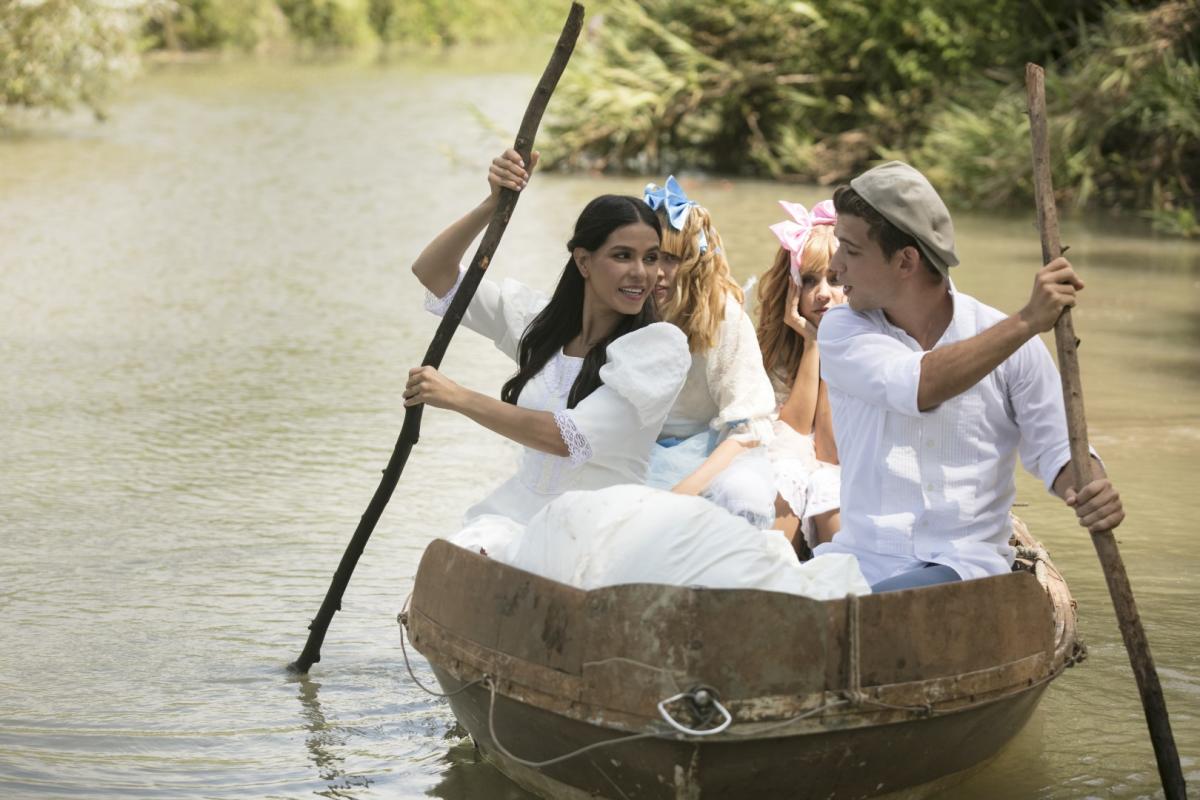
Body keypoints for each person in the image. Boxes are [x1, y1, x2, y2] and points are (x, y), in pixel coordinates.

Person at [813, 161, 1124, 593]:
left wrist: (1091, 487)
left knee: (882, 610)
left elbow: (1057, 448)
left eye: (851, 250)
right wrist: (1027, 321)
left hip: (963, 568)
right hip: (860, 562)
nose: (834, 266)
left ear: (906, 261)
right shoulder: (842, 328)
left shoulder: (1014, 345)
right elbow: (919, 384)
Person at [405, 149, 690, 555]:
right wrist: (494, 204)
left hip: (600, 527)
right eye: (623, 256)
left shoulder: (658, 348)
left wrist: (457, 397)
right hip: (514, 513)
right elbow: (433, 273)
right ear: (584, 262)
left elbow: (564, 438)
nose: (642, 274)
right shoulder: (539, 326)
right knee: (465, 553)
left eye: (651, 258)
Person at [640, 176, 778, 527]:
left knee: (744, 494)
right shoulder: (627, 303)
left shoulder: (723, 317)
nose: (657, 272)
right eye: (649, 257)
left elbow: (747, 428)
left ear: (693, 261)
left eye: (671, 259)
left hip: (713, 450)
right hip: (639, 447)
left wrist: (683, 491)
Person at [756, 200, 844, 551]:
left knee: (820, 478)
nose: (822, 293)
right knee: (786, 467)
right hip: (790, 460)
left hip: (840, 462)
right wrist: (813, 344)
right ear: (792, 289)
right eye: (809, 281)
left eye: (835, 279)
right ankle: (775, 573)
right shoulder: (780, 348)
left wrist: (833, 348)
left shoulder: (872, 345)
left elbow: (828, 450)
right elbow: (790, 432)